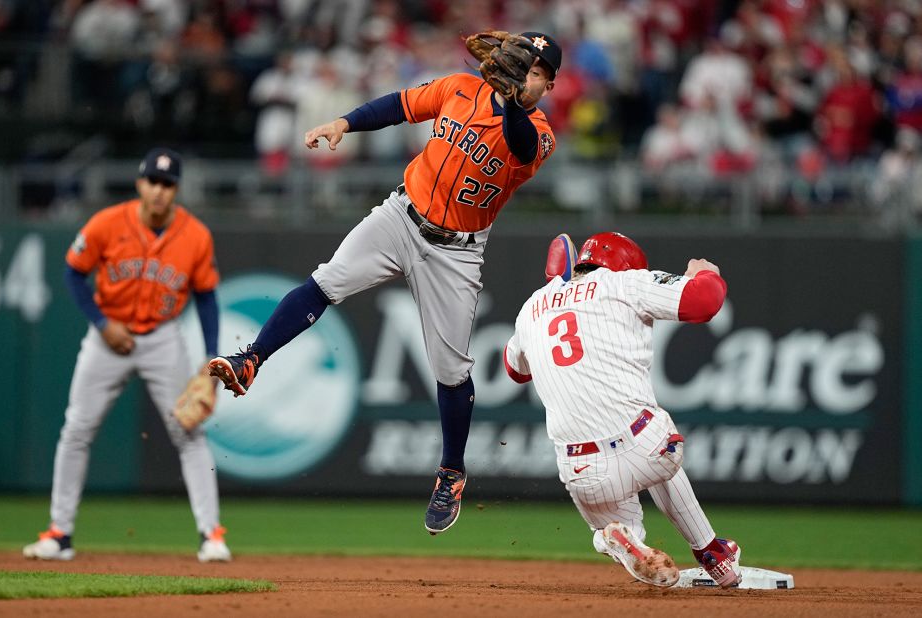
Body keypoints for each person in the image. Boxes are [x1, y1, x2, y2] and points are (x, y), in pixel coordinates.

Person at [208, 32, 562, 535]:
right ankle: (251, 360)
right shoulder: (459, 87)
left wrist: (509, 100)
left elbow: (521, 146)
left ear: (548, 83)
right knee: (327, 279)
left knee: (451, 368)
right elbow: (398, 105)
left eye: (535, 70)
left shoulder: (542, 131)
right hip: (401, 215)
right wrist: (343, 123)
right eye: (522, 63)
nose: (526, 73)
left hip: (456, 251)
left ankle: (451, 472)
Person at [22, 148, 231, 563]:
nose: (159, 191)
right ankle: (59, 533)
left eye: (168, 184)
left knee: (188, 432)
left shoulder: (195, 236)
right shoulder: (106, 223)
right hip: (107, 339)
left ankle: (213, 536)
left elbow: (206, 298)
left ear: (177, 191)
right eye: (153, 181)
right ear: (140, 184)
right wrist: (101, 323)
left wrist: (209, 360)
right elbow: (73, 274)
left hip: (162, 338)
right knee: (77, 429)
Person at [503, 232, 742, 588]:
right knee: (659, 456)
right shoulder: (625, 283)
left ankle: (621, 539)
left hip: (583, 470)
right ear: (625, 265)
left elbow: (515, 371)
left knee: (611, 531)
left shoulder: (532, 306)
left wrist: (549, 301)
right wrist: (704, 272)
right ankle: (711, 552)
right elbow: (706, 301)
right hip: (650, 446)